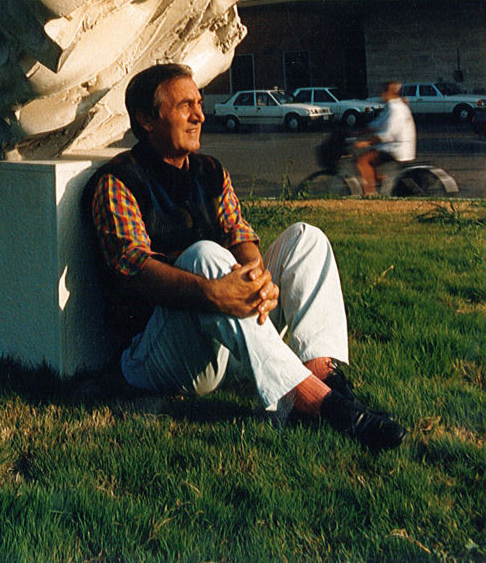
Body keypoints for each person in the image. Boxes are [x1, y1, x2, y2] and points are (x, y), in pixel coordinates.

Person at [86, 63, 407, 452]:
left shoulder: (209, 171)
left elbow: (240, 235)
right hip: (157, 353)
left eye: (199, 103)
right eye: (185, 105)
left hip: (226, 337)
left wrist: (261, 280)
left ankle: (322, 373)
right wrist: (209, 293)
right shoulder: (118, 181)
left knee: (307, 238)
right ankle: (317, 404)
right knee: (204, 255)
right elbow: (137, 272)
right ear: (146, 119)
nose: (200, 115)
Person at [354, 81, 416, 195]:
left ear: (390, 93)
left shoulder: (395, 109)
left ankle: (370, 194)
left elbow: (388, 134)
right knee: (371, 161)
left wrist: (367, 142)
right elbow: (377, 124)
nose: (381, 94)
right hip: (397, 146)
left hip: (397, 148)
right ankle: (381, 180)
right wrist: (358, 133)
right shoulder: (392, 106)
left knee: (362, 161)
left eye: (384, 91)